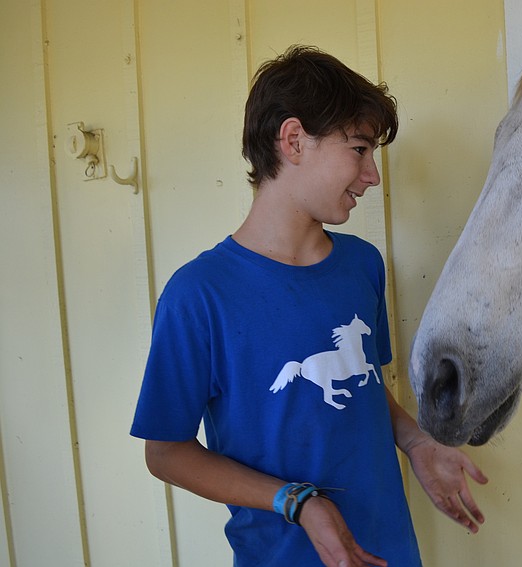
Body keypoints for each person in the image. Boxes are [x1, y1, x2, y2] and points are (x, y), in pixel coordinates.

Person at [130, 45, 488, 567]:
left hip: (389, 550)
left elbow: (366, 383)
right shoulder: (198, 295)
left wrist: (416, 443)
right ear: (294, 140)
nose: (373, 176)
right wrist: (295, 501)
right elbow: (165, 452)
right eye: (359, 149)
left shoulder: (362, 265)